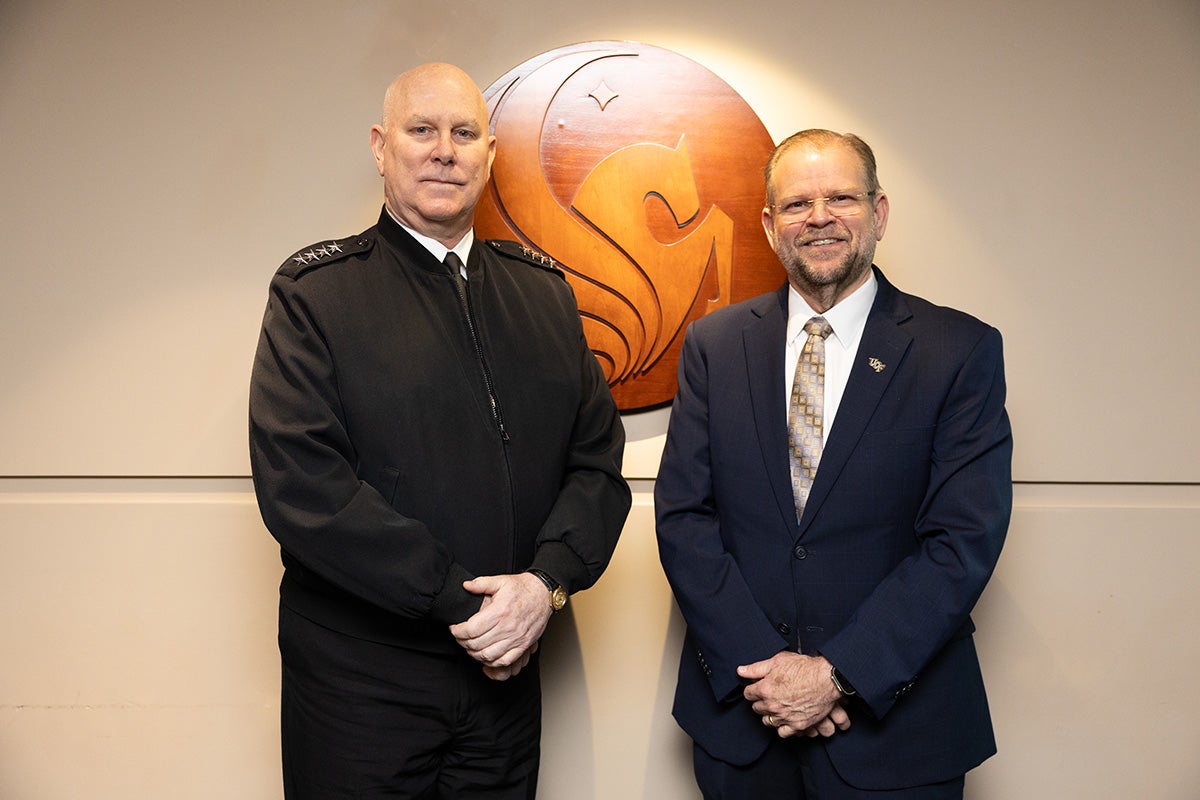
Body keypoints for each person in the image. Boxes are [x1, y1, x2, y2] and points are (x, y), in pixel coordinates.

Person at [248, 62, 630, 799]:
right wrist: (467, 604)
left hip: (505, 687)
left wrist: (544, 585)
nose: (443, 151)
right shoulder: (316, 295)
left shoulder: (545, 296)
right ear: (380, 147)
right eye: (421, 130)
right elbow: (305, 488)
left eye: (463, 134)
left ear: (489, 153)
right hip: (360, 686)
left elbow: (596, 468)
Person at [654, 129, 1012, 798]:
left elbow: (962, 542)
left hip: (898, 733)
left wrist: (836, 673)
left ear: (878, 212)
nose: (819, 217)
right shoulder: (714, 345)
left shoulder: (957, 351)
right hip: (743, 724)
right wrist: (769, 676)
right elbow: (684, 520)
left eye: (841, 197)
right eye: (796, 204)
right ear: (769, 225)